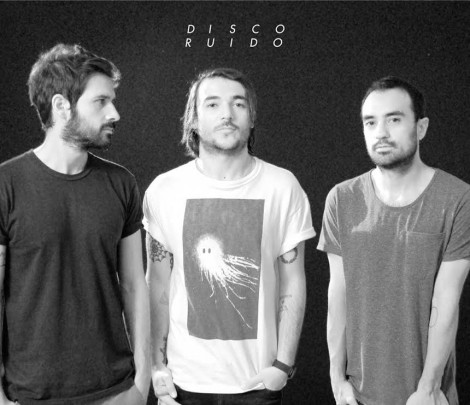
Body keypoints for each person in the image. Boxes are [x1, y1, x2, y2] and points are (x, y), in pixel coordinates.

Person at [143, 67, 315, 404]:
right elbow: (157, 283)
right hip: (182, 385)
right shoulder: (164, 190)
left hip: (258, 385)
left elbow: (293, 280)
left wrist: (283, 366)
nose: (227, 114)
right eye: (212, 104)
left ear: (252, 118)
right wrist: (156, 366)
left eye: (238, 104)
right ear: (193, 120)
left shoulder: (282, 186)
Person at [0, 44, 150, 404]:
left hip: (115, 391)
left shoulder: (121, 183)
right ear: (61, 105)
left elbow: (134, 285)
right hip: (31, 395)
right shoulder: (6, 185)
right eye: (101, 101)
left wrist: (142, 382)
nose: (114, 113)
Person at [318, 76, 470, 405]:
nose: (381, 133)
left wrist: (428, 388)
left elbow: (446, 301)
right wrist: (336, 378)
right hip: (357, 396)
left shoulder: (458, 199)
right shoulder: (341, 199)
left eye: (394, 120)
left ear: (421, 127)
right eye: (370, 122)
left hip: (427, 397)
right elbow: (338, 295)